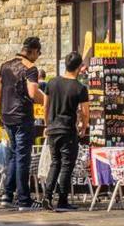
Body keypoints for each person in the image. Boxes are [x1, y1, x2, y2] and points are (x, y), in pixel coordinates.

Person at [0, 37, 45, 210]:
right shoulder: (30, 68)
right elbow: (33, 93)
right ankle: (24, 199)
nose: (38, 56)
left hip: (7, 115)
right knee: (23, 156)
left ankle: (7, 195)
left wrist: (0, 112)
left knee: (15, 154)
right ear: (32, 51)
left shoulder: (5, 65)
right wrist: (47, 100)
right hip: (22, 115)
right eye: (38, 53)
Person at [39, 52, 91, 212]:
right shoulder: (80, 88)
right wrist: (83, 126)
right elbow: (85, 111)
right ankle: (62, 199)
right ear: (79, 67)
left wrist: (47, 124)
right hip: (68, 129)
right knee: (67, 165)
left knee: (55, 162)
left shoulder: (52, 83)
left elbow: (45, 106)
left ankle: (47, 196)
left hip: (53, 128)